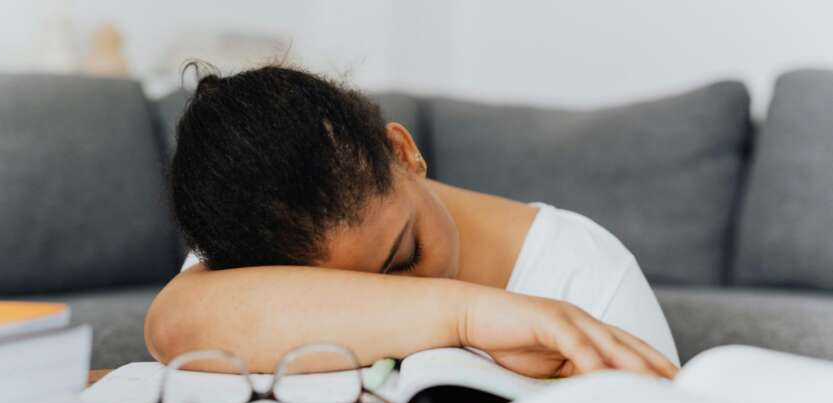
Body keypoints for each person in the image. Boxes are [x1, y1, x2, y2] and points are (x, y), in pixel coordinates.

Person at [145, 63, 680, 380]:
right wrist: (467, 314)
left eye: (405, 254)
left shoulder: (588, 276)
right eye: (335, 292)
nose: (395, 295)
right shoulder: (273, 234)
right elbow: (170, 325)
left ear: (403, 152)